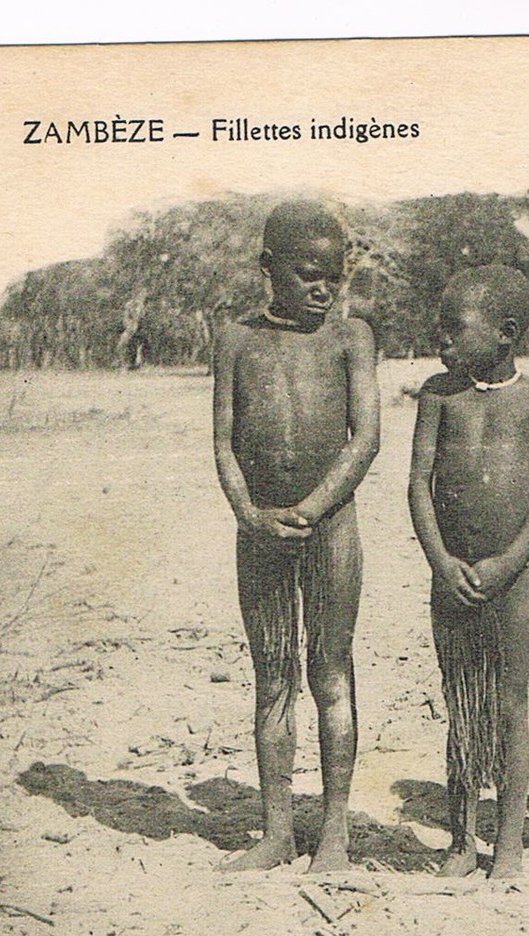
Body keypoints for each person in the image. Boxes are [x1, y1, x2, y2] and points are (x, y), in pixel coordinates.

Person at [211, 199, 380, 872]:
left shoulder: (351, 338)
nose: (322, 288)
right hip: (259, 532)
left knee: (330, 674)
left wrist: (311, 507)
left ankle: (333, 832)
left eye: (333, 276)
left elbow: (364, 440)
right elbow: (223, 444)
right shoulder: (235, 339)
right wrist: (250, 515)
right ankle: (277, 831)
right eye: (306, 274)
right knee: (271, 677)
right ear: (267, 269)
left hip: (330, 527)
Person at [408, 265, 529, 880]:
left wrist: (508, 561)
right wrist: (441, 561)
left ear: (505, 333)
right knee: (460, 703)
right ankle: (460, 839)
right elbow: (419, 484)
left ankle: (512, 842)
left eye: (453, 329)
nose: (440, 339)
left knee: (508, 704)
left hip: (514, 577)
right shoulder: (437, 396)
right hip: (450, 575)